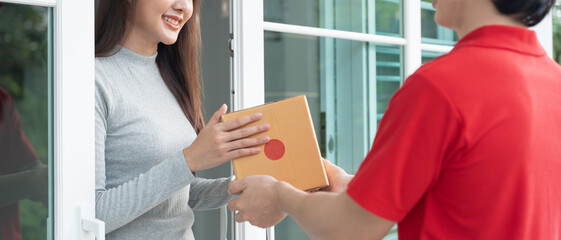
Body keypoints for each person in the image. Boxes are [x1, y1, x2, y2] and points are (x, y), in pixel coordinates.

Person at [227, 0, 561, 239]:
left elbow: (348, 229)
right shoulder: (554, 82)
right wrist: (355, 188)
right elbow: (478, 199)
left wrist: (280, 194)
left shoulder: (440, 87)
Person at [94, 0, 270, 239]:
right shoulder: (95, 79)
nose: (185, 7)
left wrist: (236, 186)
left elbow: (179, 193)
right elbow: (93, 214)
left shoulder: (169, 75)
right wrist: (188, 161)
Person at [0, 88, 48, 240]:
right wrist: (33, 182)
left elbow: (28, 163)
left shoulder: (2, 99)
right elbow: (34, 178)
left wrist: (51, 175)